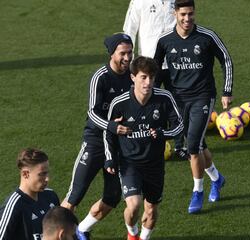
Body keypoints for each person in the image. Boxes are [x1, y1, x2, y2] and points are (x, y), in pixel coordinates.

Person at [153, 0, 234, 214]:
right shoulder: (165, 41)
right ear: (175, 14)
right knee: (198, 143)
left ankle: (197, 191)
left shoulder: (207, 37)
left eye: (190, 14)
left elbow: (225, 59)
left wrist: (227, 91)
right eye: (183, 15)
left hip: (203, 97)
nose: (187, 19)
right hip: (177, 100)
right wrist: (153, 96)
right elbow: (156, 70)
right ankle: (217, 179)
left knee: (192, 147)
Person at [61, 33, 134, 239]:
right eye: (123, 53)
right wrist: (111, 126)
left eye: (130, 52)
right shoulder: (100, 77)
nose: (127, 58)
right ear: (112, 54)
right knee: (74, 195)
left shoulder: (133, 76)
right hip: (95, 142)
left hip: (117, 145)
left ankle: (82, 229)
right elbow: (92, 113)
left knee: (112, 197)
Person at [104, 56, 183, 240]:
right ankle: (132, 235)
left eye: (151, 77)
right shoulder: (120, 103)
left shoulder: (164, 98)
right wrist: (110, 158)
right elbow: (108, 132)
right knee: (133, 206)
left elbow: (179, 126)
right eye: (143, 77)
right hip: (129, 162)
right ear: (133, 77)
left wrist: (164, 133)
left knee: (152, 211)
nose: (148, 82)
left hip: (155, 164)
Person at [123, 0, 189, 161]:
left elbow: (185, 24)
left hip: (175, 62)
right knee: (146, 103)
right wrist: (129, 59)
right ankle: (145, 142)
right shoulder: (139, 2)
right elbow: (129, 29)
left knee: (178, 103)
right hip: (149, 63)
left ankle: (180, 146)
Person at [0, 148, 59, 240]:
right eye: (42, 174)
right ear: (25, 174)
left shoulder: (51, 196)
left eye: (47, 173)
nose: (47, 179)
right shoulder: (14, 206)